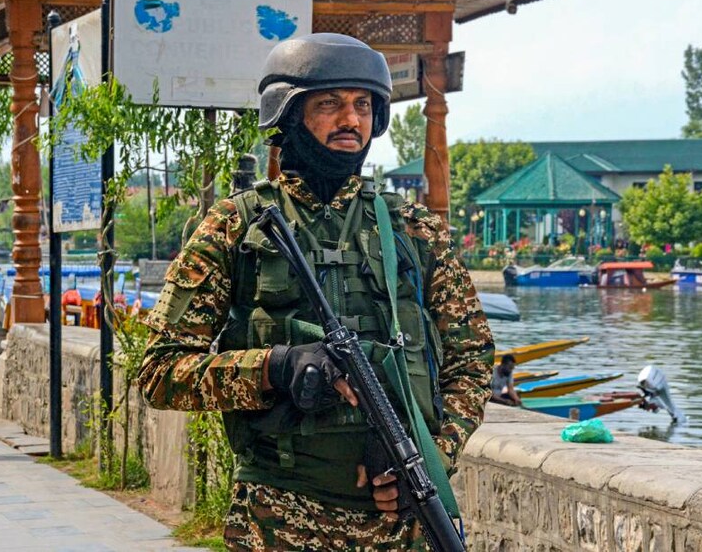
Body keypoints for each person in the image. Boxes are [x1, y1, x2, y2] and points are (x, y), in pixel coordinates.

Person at [137, 33, 494, 551]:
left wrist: (432, 453)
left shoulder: (414, 230)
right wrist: (275, 367)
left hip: (400, 525)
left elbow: (473, 357)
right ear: (287, 112)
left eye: (363, 105)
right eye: (329, 104)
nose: (351, 120)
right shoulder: (236, 226)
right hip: (279, 518)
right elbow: (160, 372)